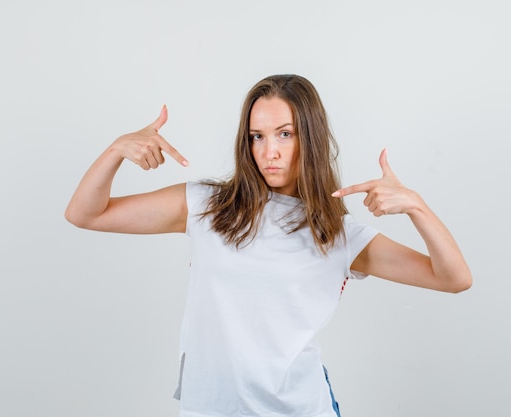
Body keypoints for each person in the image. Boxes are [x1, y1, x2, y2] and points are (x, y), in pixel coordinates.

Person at [65, 74, 472, 417]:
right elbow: (86, 214)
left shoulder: (337, 235)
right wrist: (116, 150)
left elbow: (454, 278)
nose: (268, 151)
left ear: (309, 139)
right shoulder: (207, 206)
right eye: (257, 136)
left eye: (285, 134)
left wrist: (417, 207)